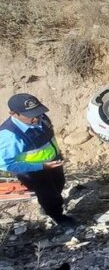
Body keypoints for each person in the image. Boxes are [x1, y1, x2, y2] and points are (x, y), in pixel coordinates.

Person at [0, 94, 76, 227]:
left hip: (53, 162)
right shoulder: (9, 135)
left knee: (59, 184)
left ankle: (47, 206)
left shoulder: (40, 117)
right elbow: (6, 164)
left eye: (38, 112)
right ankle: (58, 217)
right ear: (13, 113)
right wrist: (41, 166)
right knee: (49, 194)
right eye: (30, 115)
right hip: (34, 172)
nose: (36, 118)